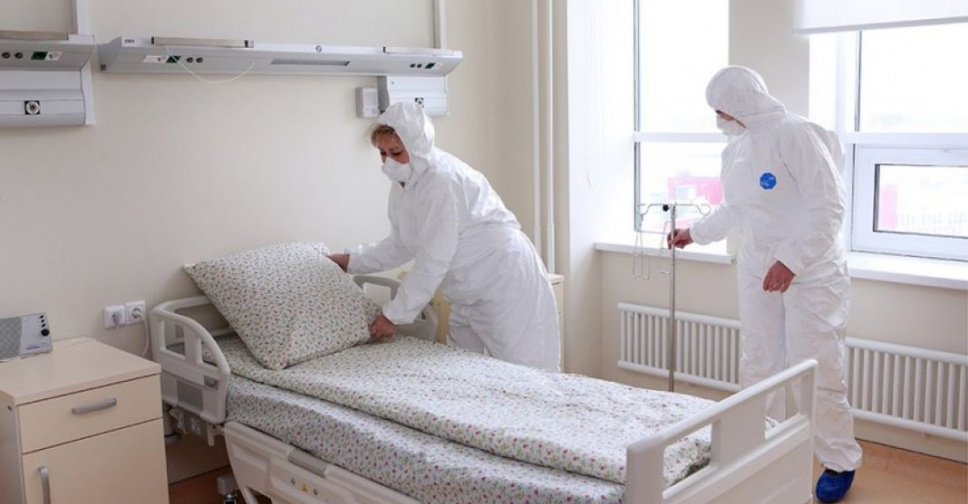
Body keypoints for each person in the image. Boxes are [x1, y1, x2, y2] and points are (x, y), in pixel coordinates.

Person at [668, 66, 862, 503]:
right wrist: (694, 232)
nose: (719, 119)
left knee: (815, 364)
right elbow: (736, 208)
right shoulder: (738, 147)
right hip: (757, 263)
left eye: (721, 110)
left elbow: (829, 205)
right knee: (758, 361)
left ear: (740, 104)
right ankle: (761, 447)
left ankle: (838, 459)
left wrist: (791, 261)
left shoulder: (795, 135)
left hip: (811, 269)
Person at [328, 102, 560, 372]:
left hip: (503, 280)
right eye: (382, 153)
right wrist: (351, 261)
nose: (388, 161)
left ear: (417, 147)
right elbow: (402, 243)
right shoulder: (405, 185)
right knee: (462, 371)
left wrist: (393, 315)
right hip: (466, 291)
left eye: (396, 152)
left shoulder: (441, 182)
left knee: (525, 372)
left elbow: (433, 260)